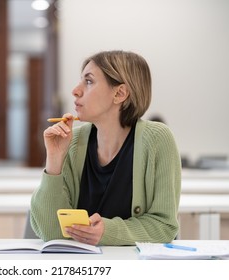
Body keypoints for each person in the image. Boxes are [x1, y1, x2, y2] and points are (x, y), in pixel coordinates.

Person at [30, 50, 181, 246]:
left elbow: (164, 226)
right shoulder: (73, 141)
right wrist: (54, 160)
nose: (75, 90)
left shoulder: (158, 140)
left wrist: (108, 231)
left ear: (119, 93)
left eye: (89, 81)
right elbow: (50, 232)